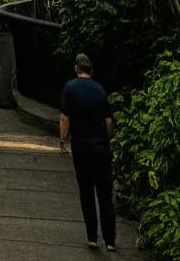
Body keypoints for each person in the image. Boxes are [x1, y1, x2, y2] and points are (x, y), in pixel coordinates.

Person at [58, 50, 116, 252]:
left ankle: (92, 236)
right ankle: (110, 239)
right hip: (100, 147)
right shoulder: (100, 90)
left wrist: (62, 139)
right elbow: (109, 121)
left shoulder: (70, 88)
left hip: (81, 147)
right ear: (90, 70)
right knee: (105, 193)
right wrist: (106, 139)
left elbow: (65, 117)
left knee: (86, 191)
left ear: (76, 68)